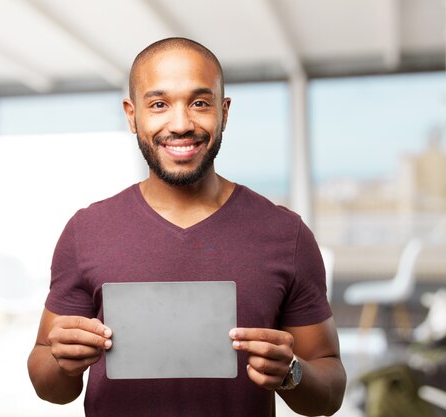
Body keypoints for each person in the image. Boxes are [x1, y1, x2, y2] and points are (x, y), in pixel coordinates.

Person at [27, 37, 346, 417]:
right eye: (159, 104)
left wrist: (292, 372)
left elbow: (329, 393)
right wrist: (62, 361)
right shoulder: (86, 231)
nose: (180, 124)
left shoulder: (286, 234)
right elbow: (51, 387)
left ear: (224, 112)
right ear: (132, 115)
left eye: (199, 103)